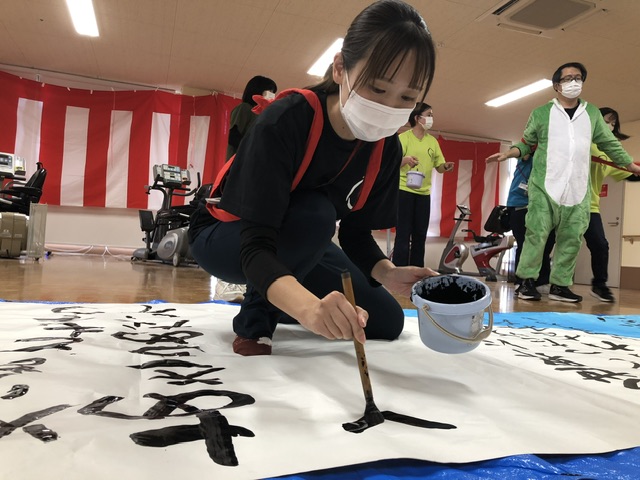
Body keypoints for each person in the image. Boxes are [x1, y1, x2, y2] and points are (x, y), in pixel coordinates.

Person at [189, 0, 438, 356]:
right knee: (317, 213)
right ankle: (256, 322)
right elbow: (256, 244)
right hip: (229, 234)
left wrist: (386, 273)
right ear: (340, 68)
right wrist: (308, 309)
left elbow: (355, 234)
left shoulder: (386, 150)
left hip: (302, 242)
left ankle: (285, 294)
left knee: (384, 321)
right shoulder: (286, 120)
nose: (389, 108)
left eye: (408, 97)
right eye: (378, 89)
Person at [486, 62, 640, 303]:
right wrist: (510, 153)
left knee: (572, 239)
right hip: (545, 187)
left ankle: (560, 286)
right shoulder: (541, 113)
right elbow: (527, 143)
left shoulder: (591, 114)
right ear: (557, 85)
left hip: (577, 190)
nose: (574, 82)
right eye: (568, 78)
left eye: (578, 78)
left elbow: (609, 144)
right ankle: (526, 282)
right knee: (537, 235)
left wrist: (630, 165)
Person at [217, 75, 278, 303]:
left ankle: (246, 280)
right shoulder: (243, 109)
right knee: (236, 222)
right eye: (268, 90)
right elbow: (235, 137)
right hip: (238, 171)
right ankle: (229, 280)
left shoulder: (267, 114)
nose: (271, 95)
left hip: (254, 173)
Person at [585, 107, 640, 302]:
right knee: (552, 242)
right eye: (606, 121)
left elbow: (628, 174)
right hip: (565, 204)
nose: (610, 126)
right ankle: (537, 281)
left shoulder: (607, 154)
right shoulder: (583, 141)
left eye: (613, 123)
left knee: (600, 245)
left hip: (590, 207)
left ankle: (599, 285)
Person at [392, 103, 454, 267]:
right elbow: (392, 163)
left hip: (424, 194)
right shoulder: (403, 138)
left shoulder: (432, 142)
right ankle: (399, 269)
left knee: (420, 234)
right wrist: (405, 160)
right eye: (429, 115)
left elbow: (439, 167)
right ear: (417, 118)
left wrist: (445, 166)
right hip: (404, 191)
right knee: (403, 233)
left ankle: (416, 270)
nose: (431, 118)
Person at [505, 153, 555, 298]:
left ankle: (542, 280)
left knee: (546, 244)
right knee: (525, 244)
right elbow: (523, 151)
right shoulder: (527, 154)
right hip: (521, 205)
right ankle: (521, 280)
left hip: (545, 206)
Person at [226, 75, 278, 160]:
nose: (272, 95)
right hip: (240, 160)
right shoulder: (245, 108)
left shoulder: (263, 115)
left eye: (273, 92)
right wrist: (253, 149)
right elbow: (233, 137)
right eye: (270, 91)